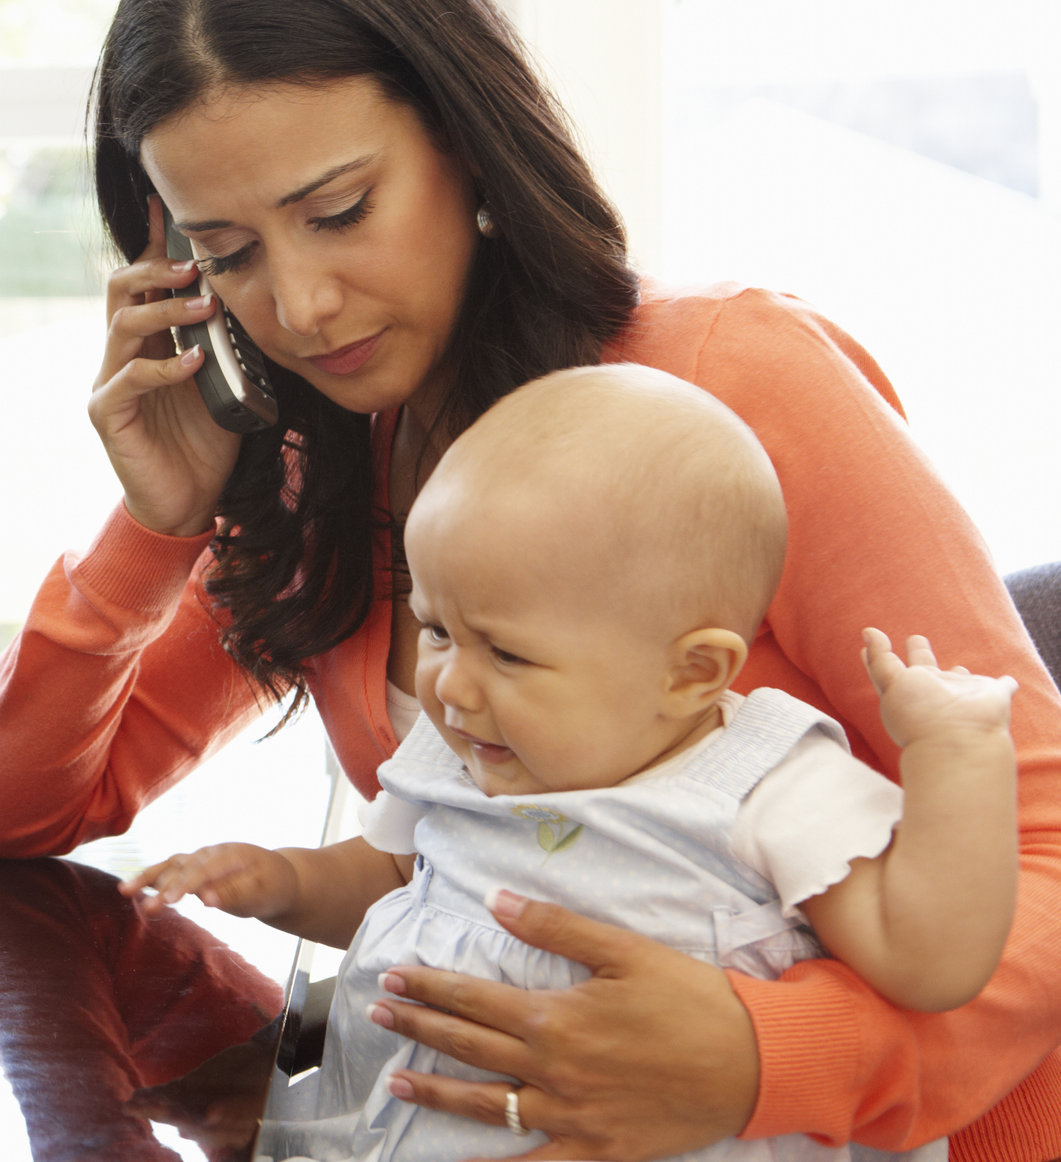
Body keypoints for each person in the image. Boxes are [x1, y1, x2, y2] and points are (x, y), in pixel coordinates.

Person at [0, 0, 1061, 1161]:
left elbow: (1040, 849)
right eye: (229, 254)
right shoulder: (324, 462)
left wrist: (765, 1056)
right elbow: (16, 808)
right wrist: (161, 519)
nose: (299, 306)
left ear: (465, 142)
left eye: (339, 210)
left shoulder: (729, 385)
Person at [121, 364, 1020, 1162]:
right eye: (435, 629)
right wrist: (278, 880)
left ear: (691, 671)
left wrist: (958, 761)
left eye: (506, 654)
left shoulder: (768, 786)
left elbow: (929, 963)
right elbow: (395, 877)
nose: (452, 685)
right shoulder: (468, 745)